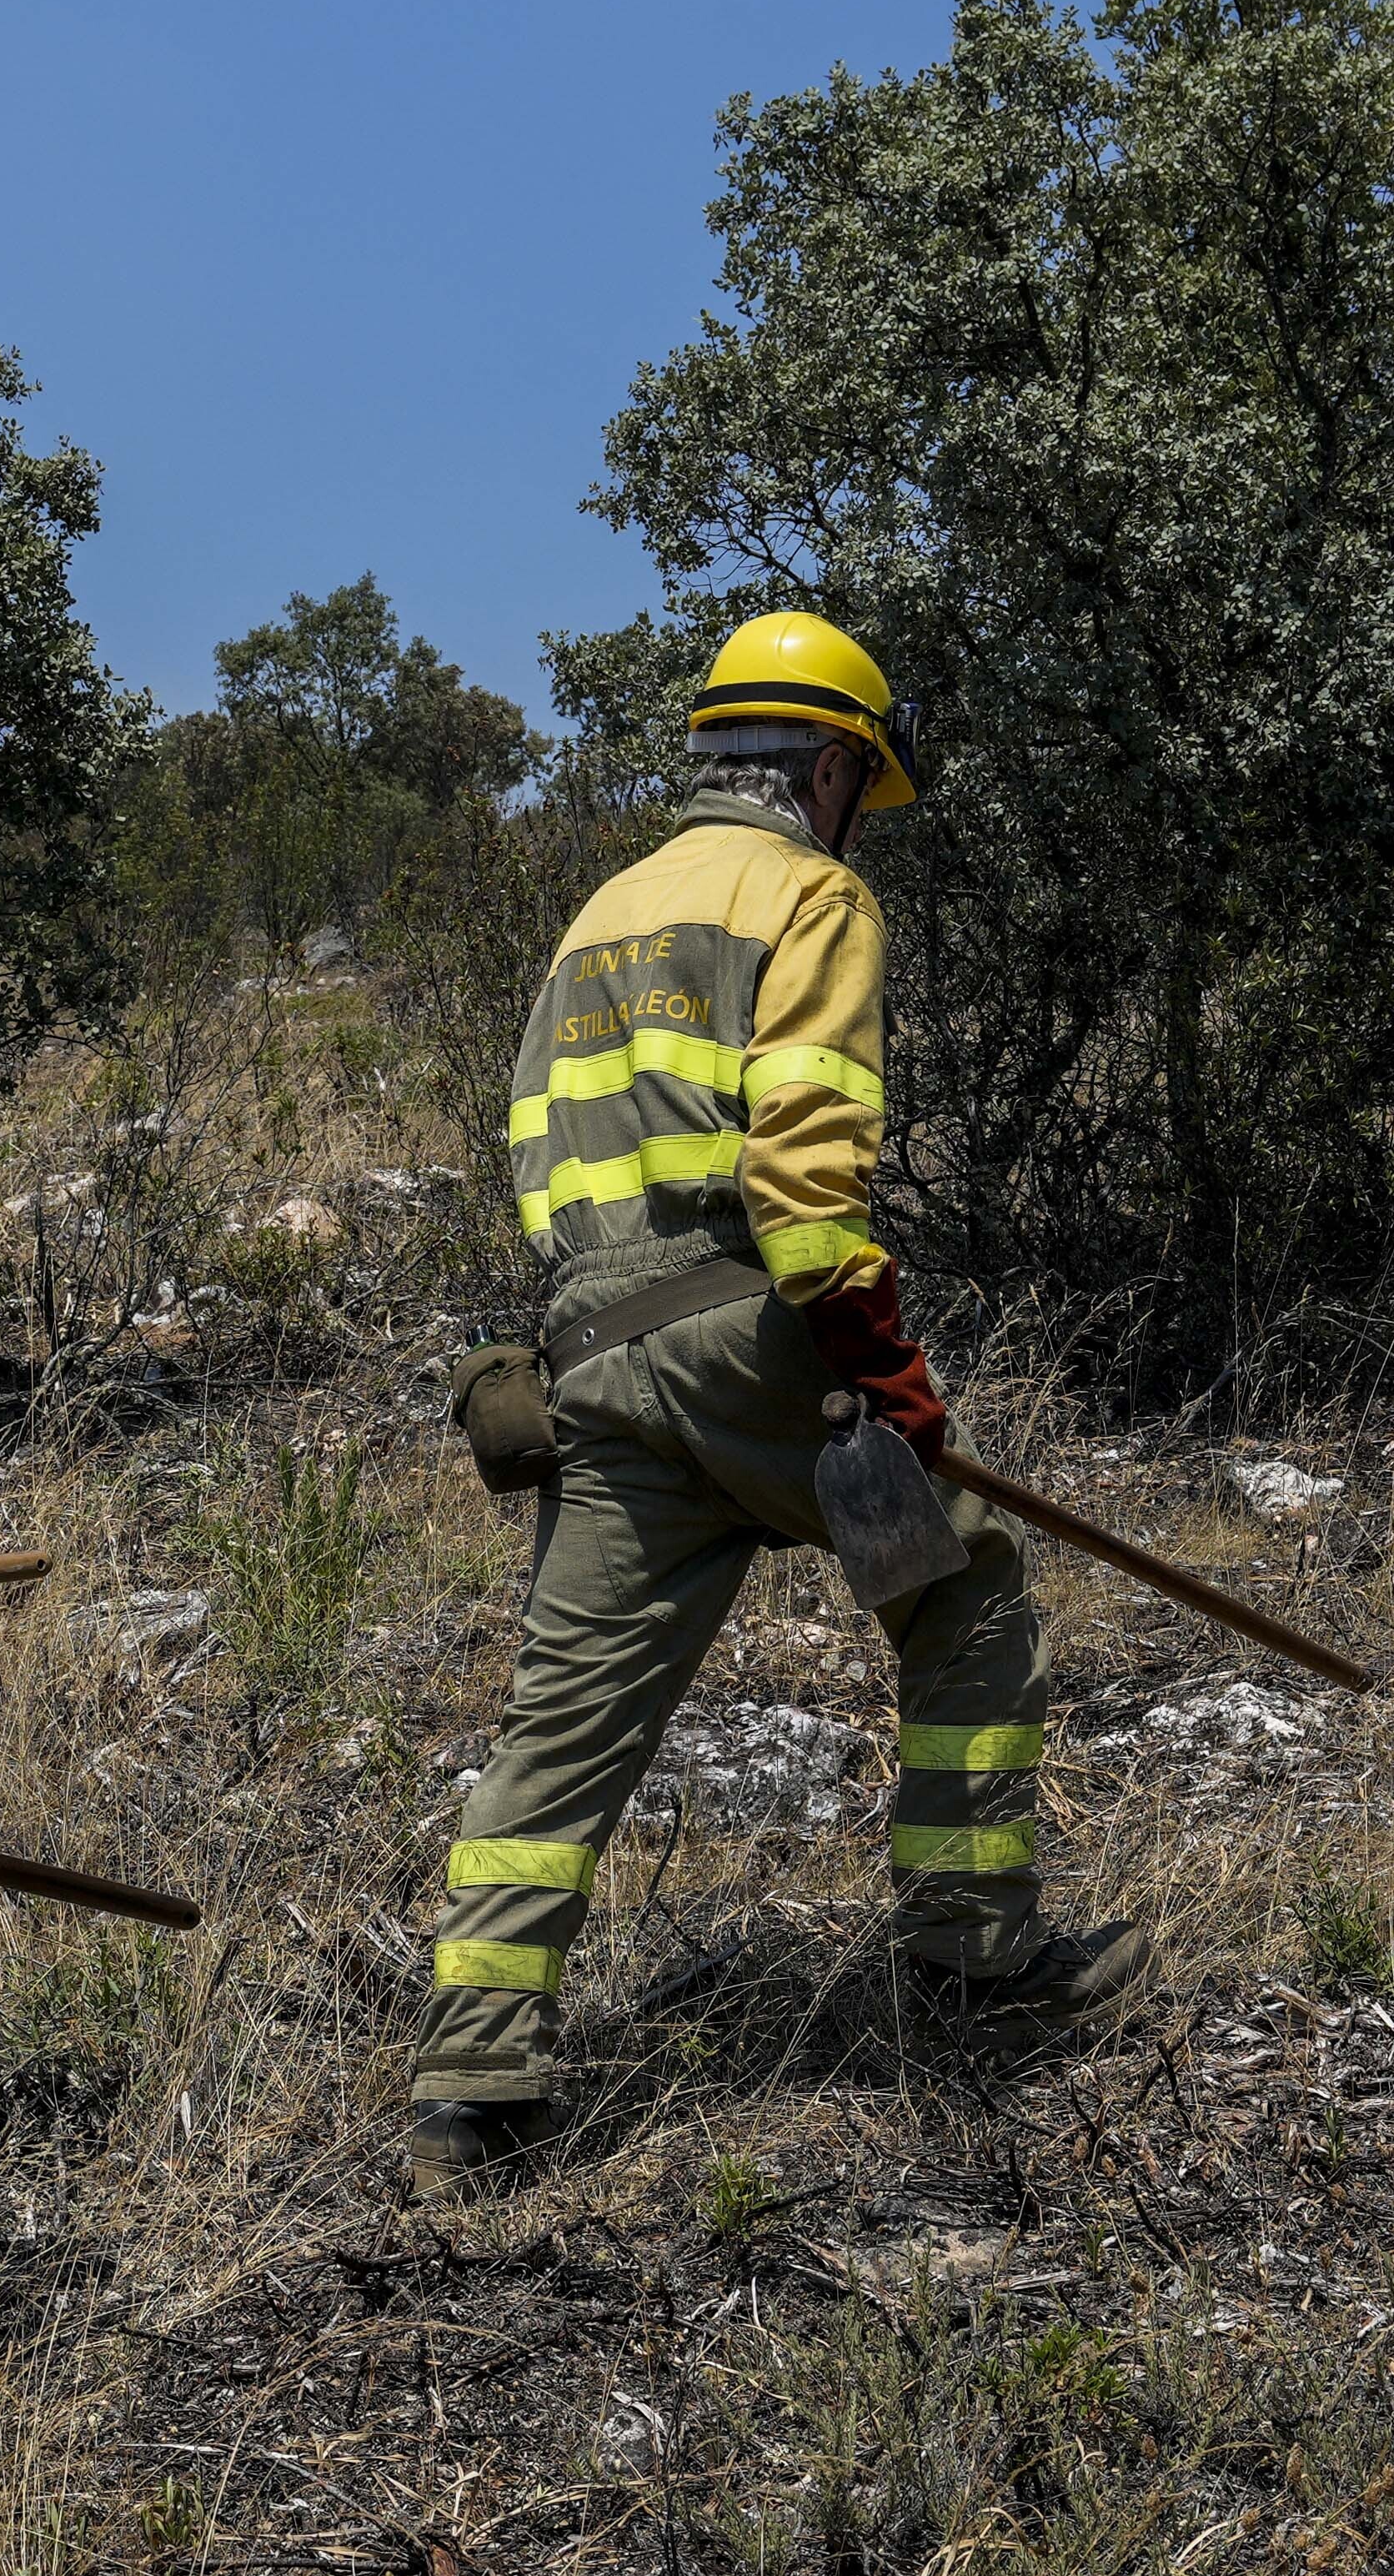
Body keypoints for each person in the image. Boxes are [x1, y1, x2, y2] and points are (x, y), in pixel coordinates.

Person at [404, 613, 1109, 2196]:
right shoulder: (810, 893)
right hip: (751, 1332)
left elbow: (540, 1161)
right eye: (866, 779)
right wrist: (880, 1360)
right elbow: (800, 1171)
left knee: (565, 1722)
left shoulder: (601, 914)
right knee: (971, 1595)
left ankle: (469, 2082)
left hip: (591, 1353)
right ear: (834, 760)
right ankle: (972, 1966)